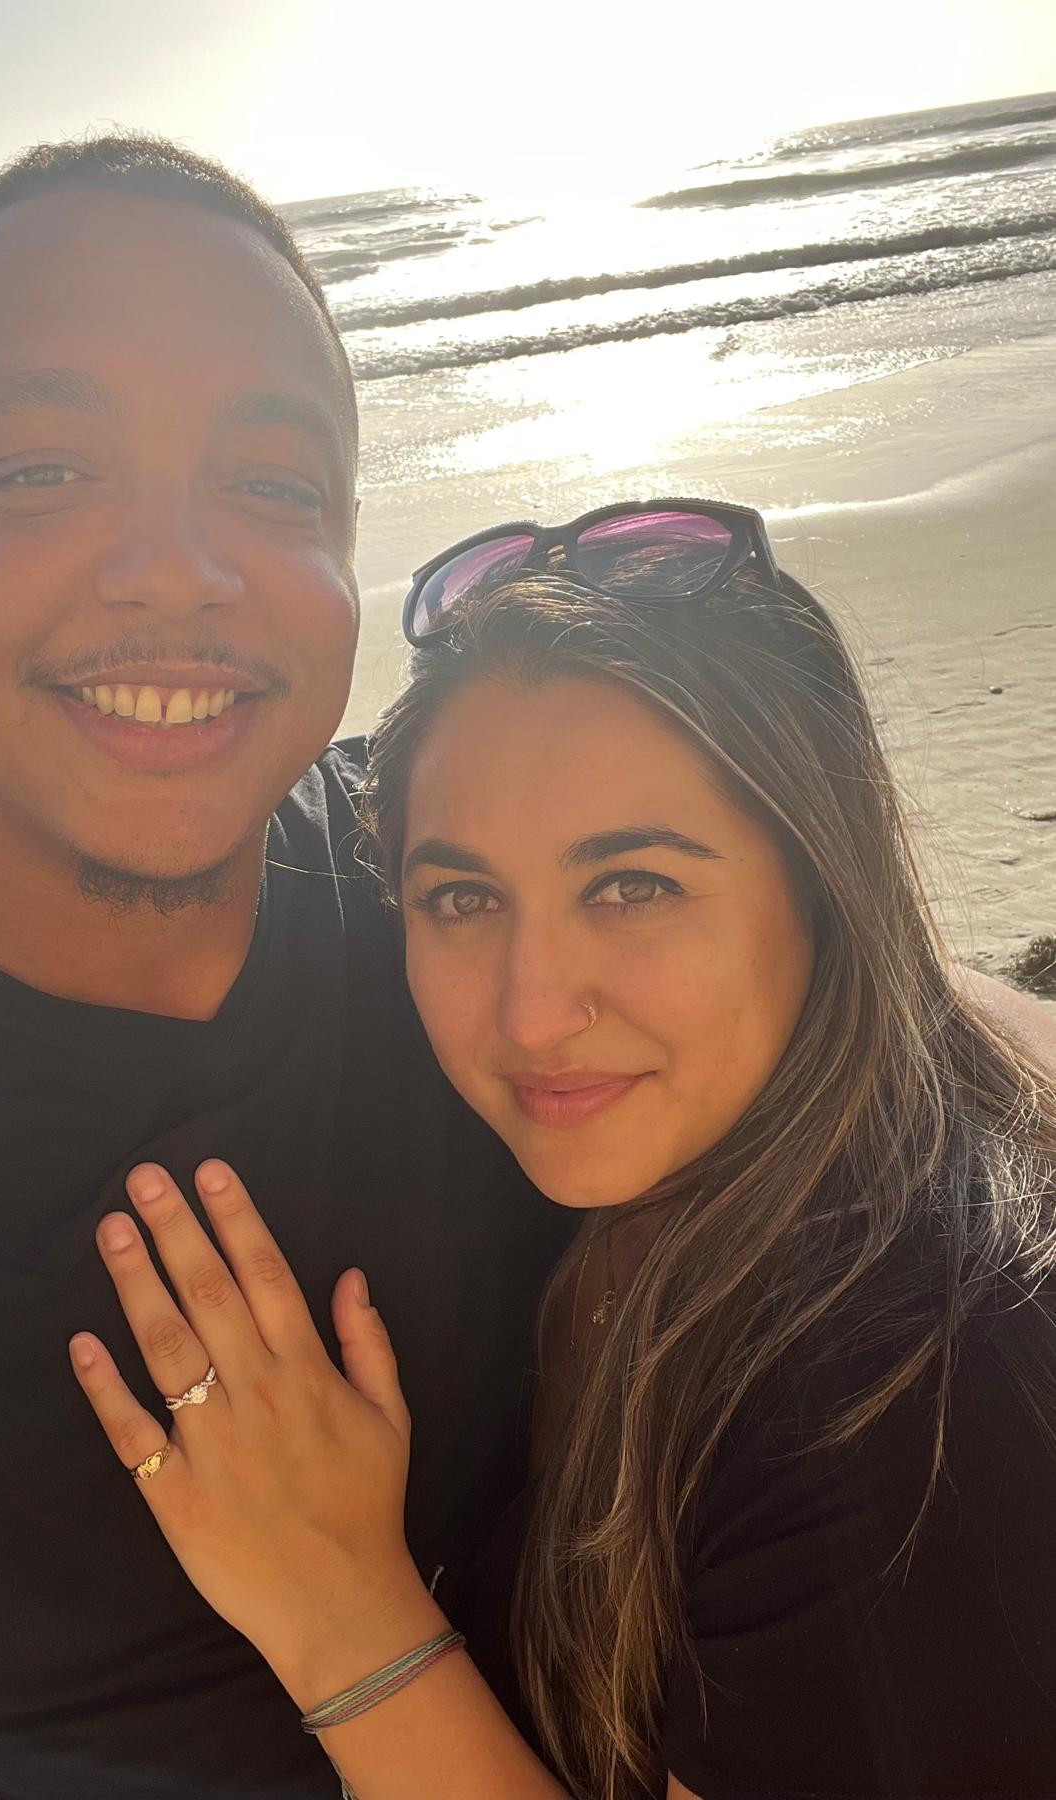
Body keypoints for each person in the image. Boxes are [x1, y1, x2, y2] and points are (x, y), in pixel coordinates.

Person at [0, 136, 572, 1799]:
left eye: (270, 488)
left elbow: (841, 1015)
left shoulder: (458, 893)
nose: (179, 572)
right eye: (39, 471)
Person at [69, 504, 1056, 1800]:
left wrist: (337, 1613)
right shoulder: (666, 1165)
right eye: (463, 899)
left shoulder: (906, 1401)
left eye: (631, 886)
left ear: (824, 883)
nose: (531, 1015)